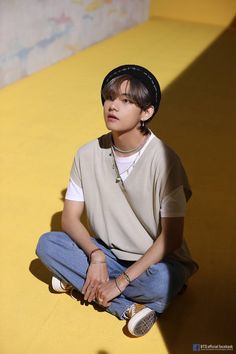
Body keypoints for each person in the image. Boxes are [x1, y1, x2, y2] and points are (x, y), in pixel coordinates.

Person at [36, 64, 199, 337]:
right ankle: (129, 309)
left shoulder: (165, 161)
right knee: (48, 244)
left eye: (126, 101)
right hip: (108, 254)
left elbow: (170, 238)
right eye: (110, 98)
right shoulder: (87, 154)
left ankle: (78, 282)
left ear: (146, 112)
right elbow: (69, 218)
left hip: (155, 262)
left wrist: (121, 281)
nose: (113, 106)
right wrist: (96, 256)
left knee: (161, 282)